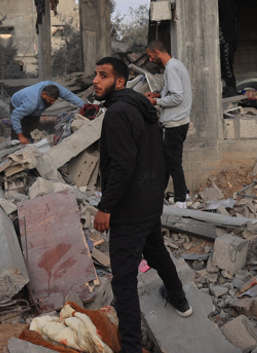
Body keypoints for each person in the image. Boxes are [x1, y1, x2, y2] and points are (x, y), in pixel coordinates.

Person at [91, 56, 192, 353]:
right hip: (147, 204)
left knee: (123, 282)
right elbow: (162, 158)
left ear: (119, 82)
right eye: (96, 75)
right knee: (157, 252)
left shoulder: (118, 113)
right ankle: (179, 299)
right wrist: (153, 196)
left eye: (103, 76)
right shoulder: (141, 108)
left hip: (128, 210)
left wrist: (106, 206)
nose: (95, 81)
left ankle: (132, 347)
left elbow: (122, 165)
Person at [145, 40, 193, 207]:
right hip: (179, 121)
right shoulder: (176, 65)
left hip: (175, 122)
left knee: (173, 162)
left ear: (157, 53)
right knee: (169, 161)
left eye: (150, 56)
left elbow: (177, 97)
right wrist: (157, 95)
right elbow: (173, 92)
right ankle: (180, 194)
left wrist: (155, 103)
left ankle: (181, 201)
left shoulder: (172, 68)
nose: (150, 60)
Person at [10, 80, 86, 144]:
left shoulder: (56, 88)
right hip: (17, 104)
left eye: (54, 101)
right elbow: (15, 116)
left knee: (32, 134)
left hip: (35, 112)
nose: (53, 103)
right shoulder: (31, 103)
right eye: (51, 100)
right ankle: (15, 144)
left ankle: (29, 142)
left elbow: (70, 96)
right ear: (43, 94)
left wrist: (85, 106)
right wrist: (20, 136)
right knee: (18, 137)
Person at [218, 0, 238, 96]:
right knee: (226, 69)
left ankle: (231, 93)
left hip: (225, 41)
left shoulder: (222, 1)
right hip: (228, 41)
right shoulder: (228, 2)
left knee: (226, 70)